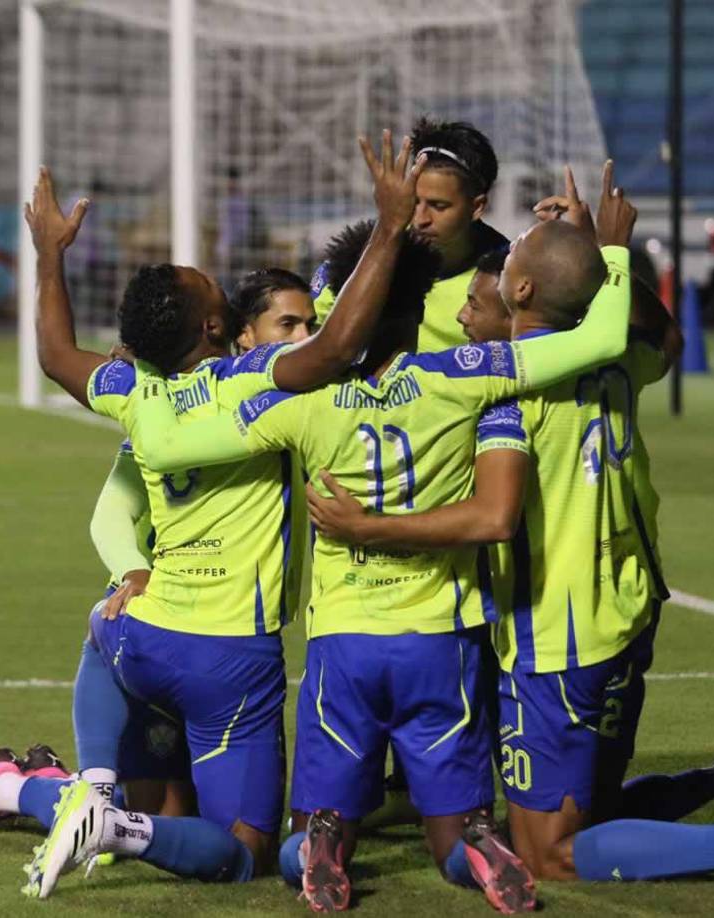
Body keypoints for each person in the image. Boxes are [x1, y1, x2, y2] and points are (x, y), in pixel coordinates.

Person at [304, 167, 714, 892]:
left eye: (485, 293)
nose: (463, 318)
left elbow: (490, 516)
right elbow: (664, 338)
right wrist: (604, 256)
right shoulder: (615, 363)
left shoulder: (513, 386)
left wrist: (370, 526)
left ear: (520, 294)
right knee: (590, 811)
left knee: (544, 852)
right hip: (628, 608)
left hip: (557, 633)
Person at [124, 161, 639, 914]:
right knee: (454, 833)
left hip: (345, 644)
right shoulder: (467, 375)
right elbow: (600, 337)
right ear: (421, 304)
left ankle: (326, 842)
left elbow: (169, 449)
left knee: (307, 827)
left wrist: (140, 396)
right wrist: (615, 254)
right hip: (441, 636)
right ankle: (476, 845)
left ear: (350, 311)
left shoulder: (301, 403)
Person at [15, 130, 427, 899]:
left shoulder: (133, 391)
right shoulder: (254, 384)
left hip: (144, 636)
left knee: (102, 627)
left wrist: (49, 253)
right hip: (231, 657)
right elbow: (338, 346)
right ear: (215, 329)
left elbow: (52, 352)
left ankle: (89, 786)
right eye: (215, 291)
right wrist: (391, 226)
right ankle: (117, 826)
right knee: (242, 849)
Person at [0, 268, 321, 840]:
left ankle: (55, 792)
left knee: (185, 827)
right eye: (289, 323)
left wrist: (52, 253)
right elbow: (112, 509)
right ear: (243, 333)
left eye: (311, 323)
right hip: (180, 622)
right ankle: (42, 789)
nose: (305, 334)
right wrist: (135, 570)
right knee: (183, 820)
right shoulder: (192, 392)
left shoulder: (151, 388)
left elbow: (58, 356)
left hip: (202, 636)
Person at [313, 117, 508, 353]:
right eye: (413, 202)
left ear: (477, 207)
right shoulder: (363, 256)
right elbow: (303, 341)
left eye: (438, 206)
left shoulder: (509, 276)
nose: (420, 219)